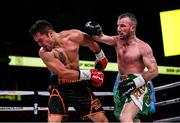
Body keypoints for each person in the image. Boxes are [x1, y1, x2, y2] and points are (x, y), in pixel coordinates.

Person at [29, 20, 109, 122]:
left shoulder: (74, 35)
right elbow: (63, 72)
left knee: (102, 120)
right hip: (60, 86)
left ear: (50, 34)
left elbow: (91, 42)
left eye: (40, 40)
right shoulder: (44, 53)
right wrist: (90, 74)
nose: (39, 45)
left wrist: (100, 56)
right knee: (54, 121)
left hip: (79, 85)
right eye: (37, 42)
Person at [84, 13, 158, 122]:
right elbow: (100, 38)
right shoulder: (117, 41)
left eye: (122, 26)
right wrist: (93, 29)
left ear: (132, 27)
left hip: (138, 85)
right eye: (118, 26)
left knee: (125, 117)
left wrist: (135, 83)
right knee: (134, 119)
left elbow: (154, 71)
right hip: (122, 84)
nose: (118, 29)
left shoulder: (143, 47)